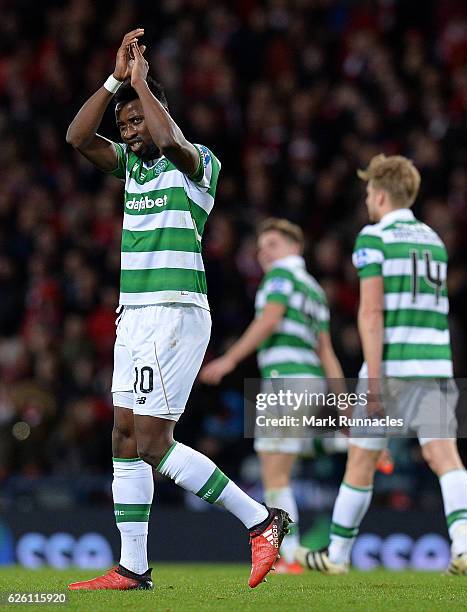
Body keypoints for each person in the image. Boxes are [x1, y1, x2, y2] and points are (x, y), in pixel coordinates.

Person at [65, 29, 290, 591]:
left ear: (160, 112)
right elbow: (75, 136)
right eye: (124, 126)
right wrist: (117, 81)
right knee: (122, 435)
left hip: (175, 311)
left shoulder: (196, 164)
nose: (130, 131)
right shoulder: (131, 168)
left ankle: (261, 520)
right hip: (135, 314)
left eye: (137, 120)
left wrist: (142, 86)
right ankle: (133, 567)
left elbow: (170, 142)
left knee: (152, 443)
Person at [296, 154, 467, 576]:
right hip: (434, 363)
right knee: (444, 456)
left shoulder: (373, 238)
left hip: (393, 367)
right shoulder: (434, 239)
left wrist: (373, 382)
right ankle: (464, 546)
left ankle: (337, 556)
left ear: (379, 194)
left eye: (367, 195)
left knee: (360, 462)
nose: (366, 202)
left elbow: (372, 313)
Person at [201, 218, 346, 573]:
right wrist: (343, 405)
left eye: (273, 245)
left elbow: (269, 320)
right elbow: (326, 351)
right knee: (287, 461)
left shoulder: (280, 278)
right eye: (262, 246)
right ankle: (344, 443)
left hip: (285, 381)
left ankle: (290, 553)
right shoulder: (314, 289)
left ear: (295, 249)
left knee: (275, 472)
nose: (264, 252)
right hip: (311, 382)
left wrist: (229, 359)